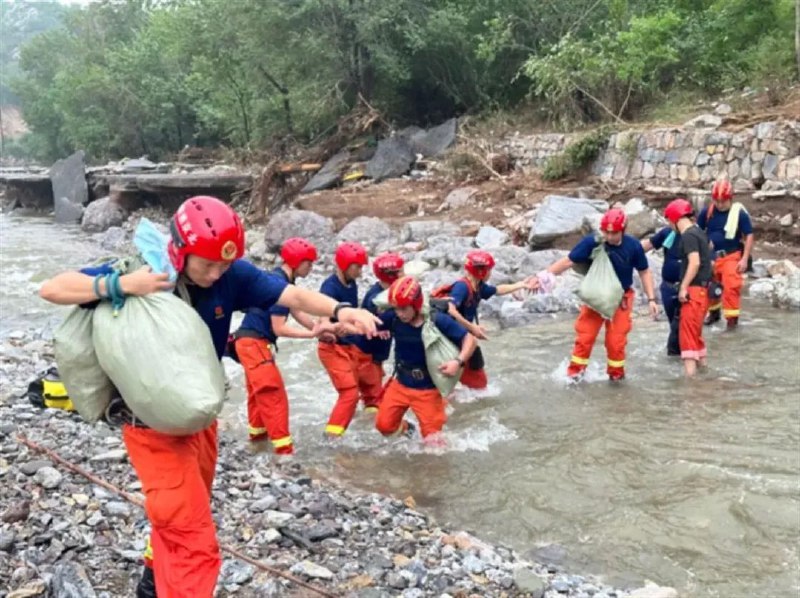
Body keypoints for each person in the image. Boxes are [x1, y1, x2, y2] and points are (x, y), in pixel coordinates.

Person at [38, 196, 378, 598]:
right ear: (180, 252)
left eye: (223, 265)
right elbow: (52, 288)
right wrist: (121, 286)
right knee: (194, 543)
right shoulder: (145, 272)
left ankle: (151, 585)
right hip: (151, 428)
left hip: (200, 418)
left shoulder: (232, 275)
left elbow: (293, 297)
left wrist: (341, 310)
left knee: (180, 517)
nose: (216, 274)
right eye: (207, 264)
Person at [534, 208, 659, 381]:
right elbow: (569, 261)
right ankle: (575, 375)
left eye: (613, 233)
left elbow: (644, 272)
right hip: (596, 297)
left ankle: (616, 379)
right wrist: (543, 276)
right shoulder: (593, 242)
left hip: (620, 300)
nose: (609, 236)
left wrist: (652, 299)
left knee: (616, 343)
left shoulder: (633, 246)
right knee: (585, 337)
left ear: (622, 230)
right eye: (605, 232)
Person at [231, 237, 322, 453]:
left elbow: (296, 309)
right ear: (297, 261)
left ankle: (257, 442)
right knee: (273, 395)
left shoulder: (278, 281)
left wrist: (318, 328)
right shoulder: (280, 285)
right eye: (308, 263)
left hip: (245, 341)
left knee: (257, 394)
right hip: (255, 343)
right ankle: (284, 452)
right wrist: (310, 336)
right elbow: (279, 327)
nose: (311, 267)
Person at [375, 276, 477, 444]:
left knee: (433, 444)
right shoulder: (393, 318)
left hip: (428, 390)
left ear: (416, 304)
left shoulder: (437, 320)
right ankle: (408, 430)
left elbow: (470, 340)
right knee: (384, 426)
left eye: (403, 309)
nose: (400, 313)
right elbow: (370, 323)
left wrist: (458, 362)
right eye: (396, 308)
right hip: (400, 384)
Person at [441, 250, 535, 390]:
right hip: (451, 337)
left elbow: (497, 290)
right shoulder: (462, 288)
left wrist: (520, 285)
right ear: (481, 271)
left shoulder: (478, 286)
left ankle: (469, 393)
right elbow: (450, 309)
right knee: (454, 376)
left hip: (463, 337)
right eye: (489, 270)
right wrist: (472, 328)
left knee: (477, 378)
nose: (490, 273)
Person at [318, 241, 371, 437]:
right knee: (349, 393)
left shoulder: (351, 283)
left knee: (356, 390)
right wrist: (330, 329)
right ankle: (331, 437)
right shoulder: (329, 287)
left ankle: (348, 425)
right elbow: (323, 316)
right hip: (332, 348)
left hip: (347, 346)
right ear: (344, 265)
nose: (360, 272)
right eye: (357, 267)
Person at [697, 179, 754, 330]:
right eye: (717, 200)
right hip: (711, 257)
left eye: (723, 201)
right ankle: (714, 314)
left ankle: (731, 321)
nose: (720, 204)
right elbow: (697, 231)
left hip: (731, 256)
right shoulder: (707, 212)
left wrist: (744, 259)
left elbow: (749, 235)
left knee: (731, 288)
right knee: (711, 287)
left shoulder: (739, 214)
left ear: (730, 198)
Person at [664, 198, 712, 376]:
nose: (670, 226)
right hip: (704, 291)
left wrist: (683, 287)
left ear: (675, 219)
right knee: (696, 334)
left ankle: (690, 382)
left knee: (688, 337)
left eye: (669, 222)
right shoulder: (699, 232)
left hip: (693, 290)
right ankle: (704, 372)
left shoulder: (688, 235)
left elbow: (694, 262)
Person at [352, 252, 405, 413]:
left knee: (373, 393)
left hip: (374, 355)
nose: (404, 274)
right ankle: (372, 426)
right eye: (401, 271)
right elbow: (387, 318)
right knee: (374, 399)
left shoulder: (388, 292)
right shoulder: (376, 298)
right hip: (365, 355)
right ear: (391, 275)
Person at [641, 225, 683, 356]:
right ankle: (679, 356)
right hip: (668, 287)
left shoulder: (695, 235)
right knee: (674, 325)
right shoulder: (668, 233)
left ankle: (680, 356)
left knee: (681, 327)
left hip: (688, 289)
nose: (669, 222)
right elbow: (646, 246)